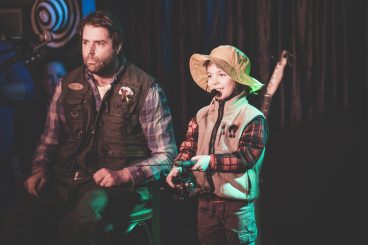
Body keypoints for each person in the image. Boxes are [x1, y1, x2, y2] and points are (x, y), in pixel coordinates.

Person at [3, 10, 177, 245]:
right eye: (85, 42)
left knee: (79, 222)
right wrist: (39, 170)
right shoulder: (66, 84)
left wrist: (124, 175)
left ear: (117, 46)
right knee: (12, 220)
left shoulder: (146, 88)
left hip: (115, 188)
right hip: (66, 181)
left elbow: (166, 156)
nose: (90, 52)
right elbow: (49, 140)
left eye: (99, 43)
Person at [166, 45, 269, 245]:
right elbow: (188, 147)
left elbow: (246, 157)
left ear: (238, 79)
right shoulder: (200, 115)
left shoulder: (252, 117)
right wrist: (178, 166)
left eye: (221, 75)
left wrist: (210, 161)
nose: (214, 81)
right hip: (205, 205)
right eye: (211, 75)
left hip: (237, 209)